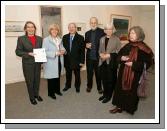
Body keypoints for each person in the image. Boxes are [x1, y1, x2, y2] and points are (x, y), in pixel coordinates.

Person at [110, 26, 154, 114]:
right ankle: (119, 106)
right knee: (120, 90)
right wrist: (121, 58)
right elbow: (119, 56)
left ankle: (129, 108)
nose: (130, 35)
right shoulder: (127, 45)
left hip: (135, 75)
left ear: (139, 35)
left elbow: (148, 63)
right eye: (130, 33)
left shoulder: (145, 48)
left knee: (131, 92)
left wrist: (133, 64)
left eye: (133, 33)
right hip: (123, 72)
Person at [15, 21, 43, 105]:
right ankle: (32, 97)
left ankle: (36, 94)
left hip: (37, 64)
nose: (31, 28)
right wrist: (28, 53)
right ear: (25, 29)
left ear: (35, 28)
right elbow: (18, 51)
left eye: (32, 27)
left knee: (37, 80)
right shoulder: (21, 39)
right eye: (28, 27)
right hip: (27, 64)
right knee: (30, 81)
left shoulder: (40, 39)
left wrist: (42, 63)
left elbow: (42, 51)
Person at [98, 23, 121, 103]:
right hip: (103, 62)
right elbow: (100, 50)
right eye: (107, 29)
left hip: (111, 63)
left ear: (113, 30)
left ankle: (109, 96)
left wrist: (109, 55)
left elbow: (119, 52)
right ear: (104, 30)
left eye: (110, 29)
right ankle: (105, 94)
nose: (108, 30)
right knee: (104, 79)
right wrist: (100, 54)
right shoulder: (102, 38)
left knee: (110, 80)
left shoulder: (117, 39)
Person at [42, 24, 66, 100]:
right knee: (51, 78)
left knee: (57, 77)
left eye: (56, 29)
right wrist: (55, 53)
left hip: (59, 61)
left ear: (58, 31)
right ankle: (51, 93)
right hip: (50, 62)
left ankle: (57, 90)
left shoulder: (59, 39)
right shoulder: (46, 40)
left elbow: (62, 48)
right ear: (50, 31)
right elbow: (44, 52)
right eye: (52, 29)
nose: (54, 31)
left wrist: (63, 51)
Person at [62, 23, 85, 93]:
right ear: (68, 28)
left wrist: (82, 61)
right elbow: (63, 48)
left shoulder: (81, 37)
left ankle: (77, 86)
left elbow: (82, 51)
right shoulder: (64, 37)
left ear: (75, 28)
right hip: (67, 60)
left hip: (77, 61)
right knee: (68, 75)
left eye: (73, 27)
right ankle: (67, 85)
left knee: (77, 75)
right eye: (70, 27)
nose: (71, 29)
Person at [85, 17, 105, 94]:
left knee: (98, 74)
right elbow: (85, 43)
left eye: (95, 22)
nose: (93, 24)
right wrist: (86, 45)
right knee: (89, 73)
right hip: (89, 57)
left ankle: (99, 88)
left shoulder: (102, 32)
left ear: (97, 23)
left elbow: (104, 44)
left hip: (98, 57)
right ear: (90, 23)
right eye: (92, 23)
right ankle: (89, 86)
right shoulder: (87, 33)